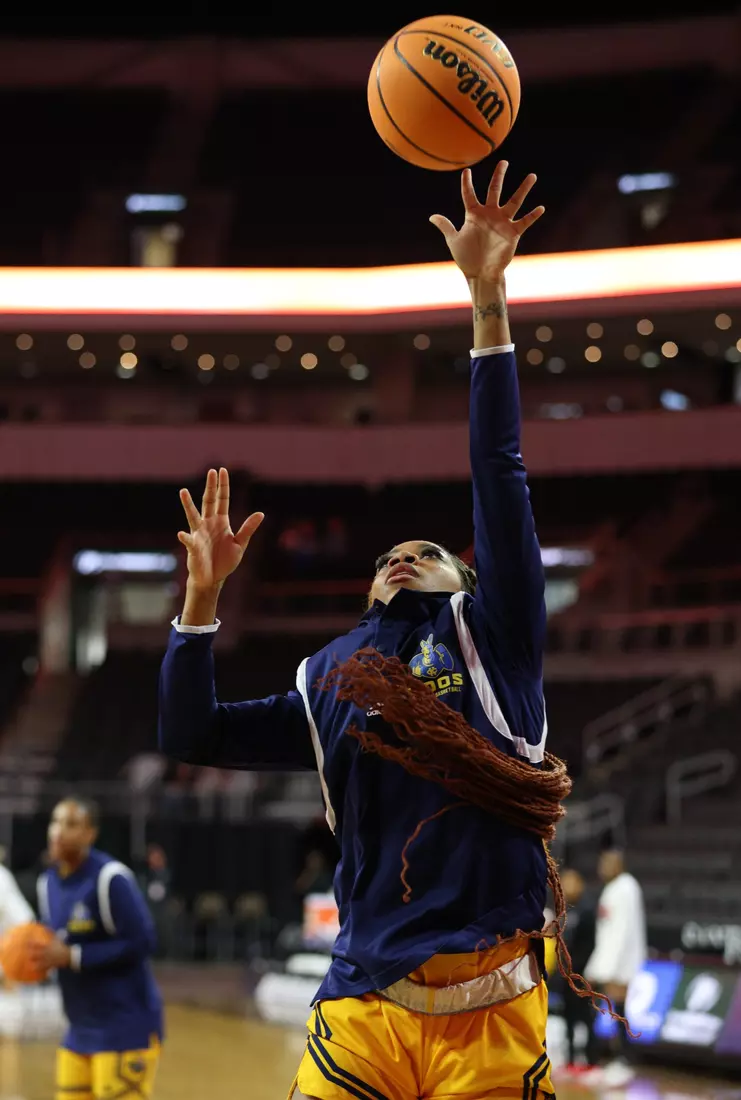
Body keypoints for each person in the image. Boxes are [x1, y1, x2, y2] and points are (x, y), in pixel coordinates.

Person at [159, 162, 568, 1100]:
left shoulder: (492, 636)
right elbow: (192, 734)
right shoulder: (328, 673)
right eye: (389, 551)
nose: (402, 554)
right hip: (363, 1007)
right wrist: (199, 604)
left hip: (489, 1012)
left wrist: (486, 297)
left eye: (426, 549)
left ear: (466, 576)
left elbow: (498, 472)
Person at [31, 797, 164, 1100]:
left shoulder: (110, 878)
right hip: (78, 1029)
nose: (58, 832)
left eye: (71, 824)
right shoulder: (47, 882)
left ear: (90, 834)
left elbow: (144, 942)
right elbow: (55, 943)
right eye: (55, 822)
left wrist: (74, 956)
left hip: (124, 1027)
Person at [584, 848, 647, 1088]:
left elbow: (622, 933)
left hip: (621, 963)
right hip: (611, 961)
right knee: (612, 1011)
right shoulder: (613, 888)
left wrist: (606, 967)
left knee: (619, 1010)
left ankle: (626, 1060)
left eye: (607, 863)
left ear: (618, 864)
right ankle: (614, 1057)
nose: (602, 868)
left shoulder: (626, 887)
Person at [559, 868, 598, 1074]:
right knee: (569, 1017)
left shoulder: (588, 910)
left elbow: (593, 944)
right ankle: (571, 1060)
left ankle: (592, 1062)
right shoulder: (564, 909)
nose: (566, 887)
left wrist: (581, 969)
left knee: (587, 1017)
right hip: (566, 974)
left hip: (583, 974)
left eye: (570, 882)